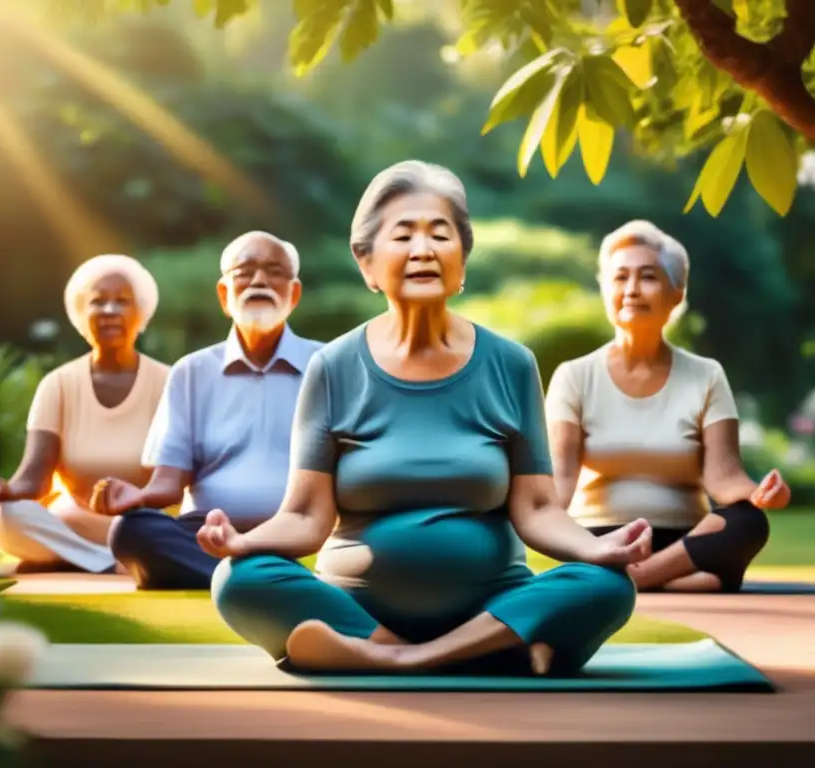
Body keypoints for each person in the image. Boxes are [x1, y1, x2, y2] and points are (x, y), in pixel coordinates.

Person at [193, 161, 649, 676]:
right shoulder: (333, 367)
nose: (423, 250)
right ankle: (487, 654)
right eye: (403, 234)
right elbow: (304, 516)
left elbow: (539, 508)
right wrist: (242, 543)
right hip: (357, 607)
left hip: (492, 605)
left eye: (441, 234)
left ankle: (403, 659)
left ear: (462, 260)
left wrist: (596, 546)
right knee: (237, 578)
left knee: (607, 583)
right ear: (366, 263)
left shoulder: (511, 363)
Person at [545, 220, 789, 594]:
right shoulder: (573, 376)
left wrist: (759, 495)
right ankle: (677, 581)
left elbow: (724, 476)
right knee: (707, 578)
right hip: (601, 537)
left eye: (648, 277)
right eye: (620, 277)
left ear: (676, 293)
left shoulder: (706, 375)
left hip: (686, 542)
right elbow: (560, 482)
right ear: (605, 289)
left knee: (748, 522)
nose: (631, 290)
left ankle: (635, 579)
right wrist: (527, 514)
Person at [91, 231, 323, 590]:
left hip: (304, 534)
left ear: (293, 294)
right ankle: (276, 580)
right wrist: (138, 497)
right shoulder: (192, 371)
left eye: (273, 271)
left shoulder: (327, 364)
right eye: (245, 271)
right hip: (208, 535)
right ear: (223, 295)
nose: (259, 281)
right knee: (133, 530)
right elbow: (168, 484)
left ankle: (250, 575)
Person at [0, 254, 170, 575]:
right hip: (76, 522)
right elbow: (34, 478)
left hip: (147, 526)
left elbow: (177, 479)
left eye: (122, 301)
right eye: (98, 301)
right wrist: (4, 490)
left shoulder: (170, 382)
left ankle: (72, 557)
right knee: (5, 519)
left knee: (160, 533)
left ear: (140, 313)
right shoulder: (58, 384)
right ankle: (108, 562)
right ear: (82, 312)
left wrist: (139, 504)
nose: (109, 310)